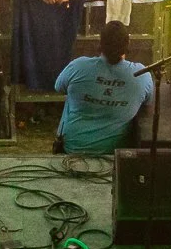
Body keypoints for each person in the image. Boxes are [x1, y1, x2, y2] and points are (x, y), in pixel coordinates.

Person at [53, 20, 152, 153]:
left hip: (73, 149)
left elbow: (59, 87)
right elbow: (148, 103)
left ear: (100, 42)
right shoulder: (141, 74)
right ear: (128, 43)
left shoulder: (78, 66)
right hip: (115, 154)